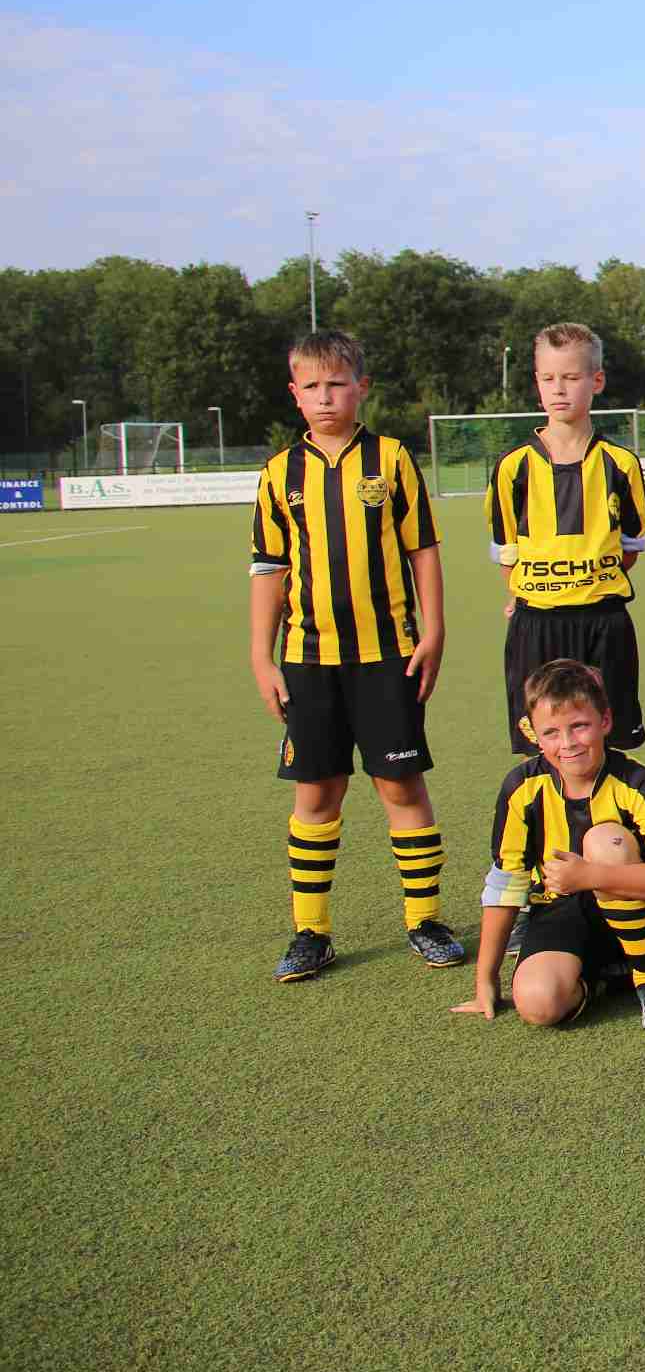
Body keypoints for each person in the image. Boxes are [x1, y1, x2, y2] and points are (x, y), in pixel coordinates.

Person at [249, 328, 459, 983]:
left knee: (400, 784)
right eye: (311, 386)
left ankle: (425, 920)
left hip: (388, 654)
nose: (325, 397)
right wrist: (261, 656)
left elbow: (423, 549)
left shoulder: (391, 459)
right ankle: (311, 931)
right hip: (308, 659)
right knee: (317, 790)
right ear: (294, 393)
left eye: (336, 384)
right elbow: (270, 568)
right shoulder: (279, 473)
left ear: (361, 388)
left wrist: (433, 631)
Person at [458, 659, 645, 1033]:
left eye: (579, 726)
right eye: (551, 732)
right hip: (558, 912)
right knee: (538, 1004)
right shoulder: (522, 788)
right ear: (533, 734)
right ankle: (601, 979)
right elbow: (505, 885)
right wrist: (486, 978)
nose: (567, 744)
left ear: (604, 721)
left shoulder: (635, 782)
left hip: (635, 904)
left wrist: (590, 876)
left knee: (604, 841)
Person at [486, 322, 645, 755]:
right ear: (537, 383)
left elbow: (629, 548)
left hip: (604, 620)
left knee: (607, 742)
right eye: (548, 378)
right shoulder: (513, 467)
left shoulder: (620, 464)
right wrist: (525, 592)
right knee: (545, 745)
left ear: (597, 381)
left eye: (572, 377)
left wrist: (584, 581)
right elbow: (507, 552)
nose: (559, 389)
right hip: (537, 623)